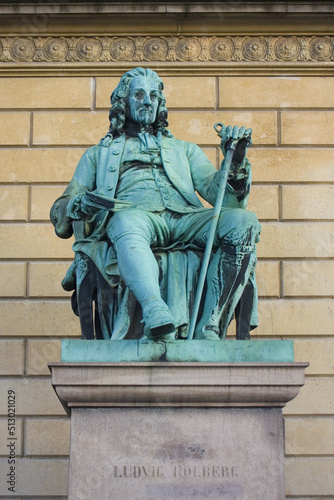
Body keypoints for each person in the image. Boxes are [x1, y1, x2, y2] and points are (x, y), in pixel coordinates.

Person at [50, 67, 261, 341]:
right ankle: (154, 310)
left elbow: (225, 198)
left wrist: (235, 161)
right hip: (136, 218)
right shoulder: (98, 155)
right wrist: (80, 204)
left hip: (186, 219)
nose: (147, 100)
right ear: (123, 103)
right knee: (125, 221)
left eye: (153, 95)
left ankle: (210, 324)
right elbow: (62, 207)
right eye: (138, 94)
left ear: (160, 104)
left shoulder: (185, 150)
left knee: (243, 221)